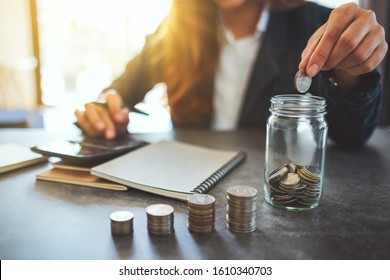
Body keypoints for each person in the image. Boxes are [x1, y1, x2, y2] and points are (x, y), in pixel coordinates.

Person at [74, 0, 388, 148]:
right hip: (183, 197)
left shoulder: (319, 25)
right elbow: (120, 90)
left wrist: (351, 72)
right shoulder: (178, 27)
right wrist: (104, 106)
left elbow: (353, 136)